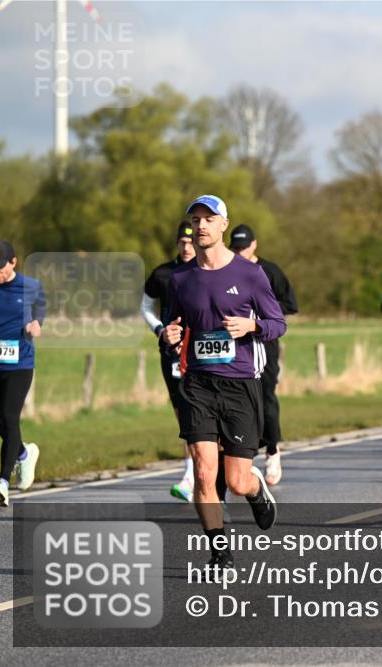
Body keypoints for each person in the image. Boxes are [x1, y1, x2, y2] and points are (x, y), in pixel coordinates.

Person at [161, 195, 284, 569]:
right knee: (202, 470)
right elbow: (174, 325)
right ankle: (219, 552)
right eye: (196, 220)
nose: (201, 226)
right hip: (197, 383)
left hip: (240, 384)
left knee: (235, 480)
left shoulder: (249, 273)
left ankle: (255, 489)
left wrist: (252, 325)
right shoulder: (180, 279)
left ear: (223, 226)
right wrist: (167, 337)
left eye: (208, 219)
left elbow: (278, 323)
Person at [229, 224, 298, 486]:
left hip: (265, 341)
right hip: (237, 344)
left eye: (244, 248)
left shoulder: (269, 271)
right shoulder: (227, 272)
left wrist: (260, 310)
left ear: (254, 245)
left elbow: (291, 304)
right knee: (241, 399)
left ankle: (272, 450)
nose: (240, 253)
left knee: (266, 395)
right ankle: (244, 454)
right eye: (235, 248)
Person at [143, 222, 197, 501]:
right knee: (183, 412)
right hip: (172, 354)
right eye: (182, 242)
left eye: (191, 242)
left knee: (205, 411)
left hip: (202, 352)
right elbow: (146, 306)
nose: (187, 247)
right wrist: (159, 329)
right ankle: (191, 474)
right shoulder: (162, 274)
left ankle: (210, 471)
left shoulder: (208, 270)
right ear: (177, 243)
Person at [0, 240, 45, 507]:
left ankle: (2, 481)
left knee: (9, 416)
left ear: (13, 262)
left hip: (20, 364)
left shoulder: (31, 287)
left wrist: (36, 325)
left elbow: (40, 312)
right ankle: (24, 453)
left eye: (0, 268)